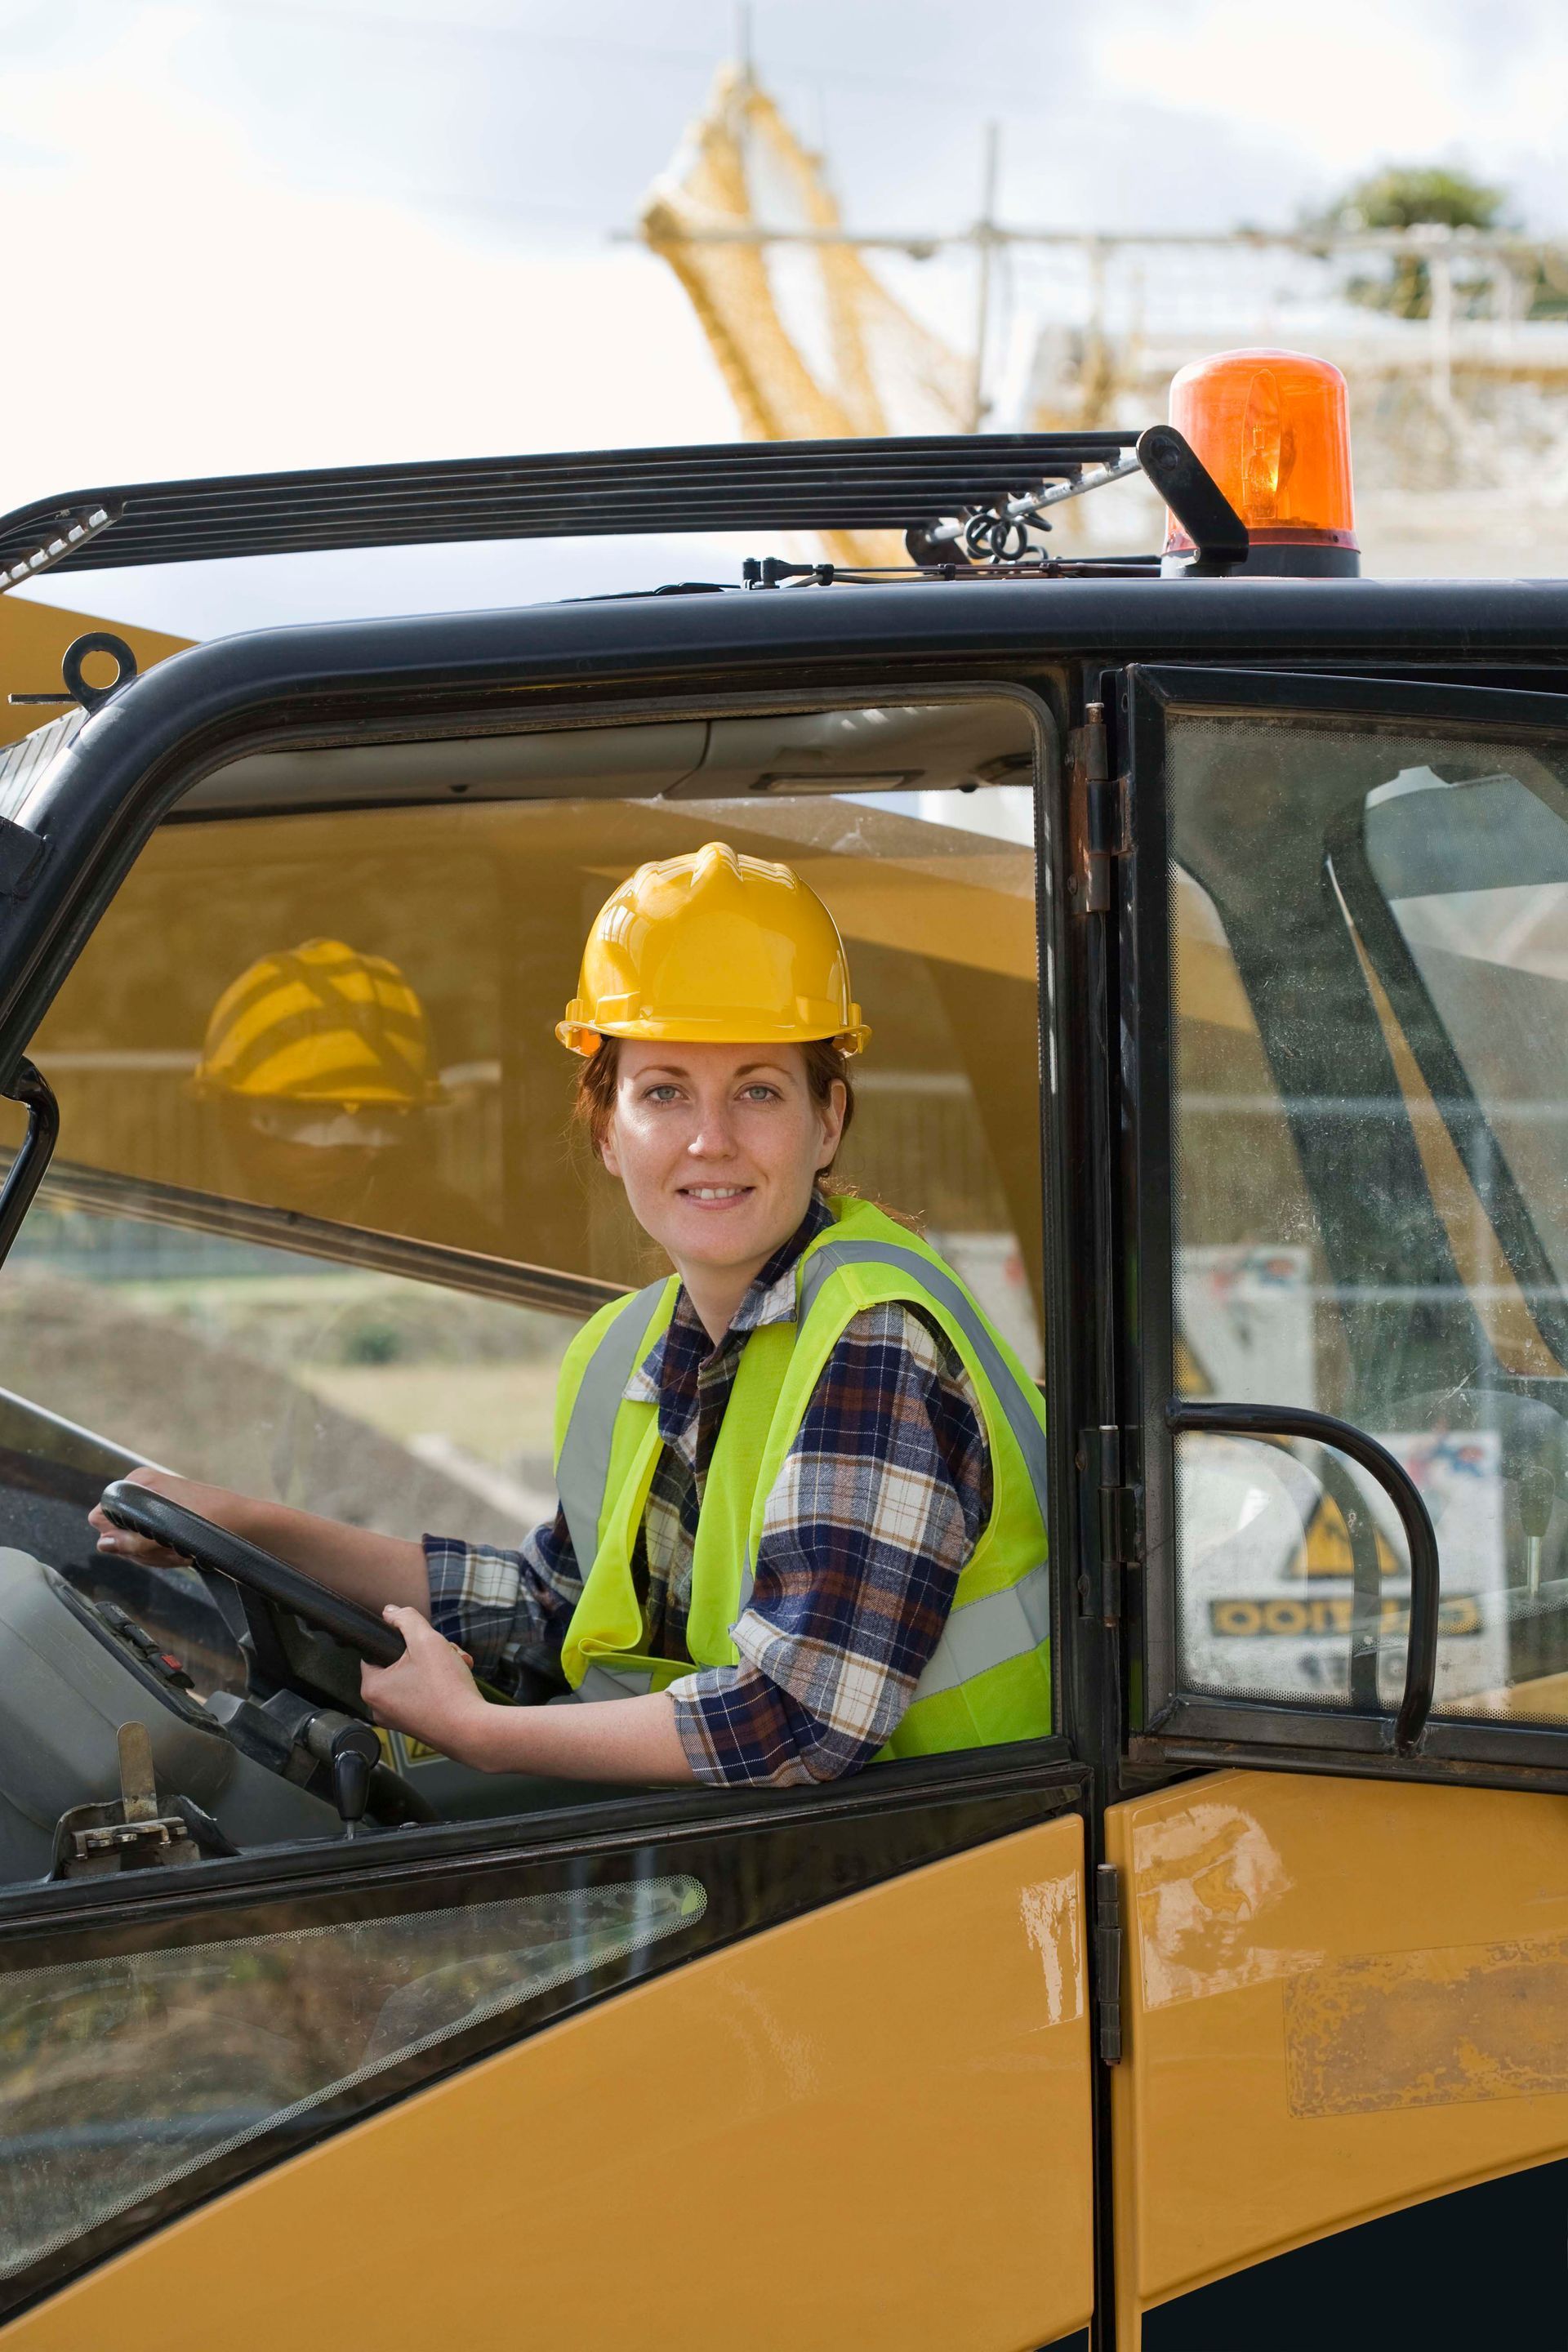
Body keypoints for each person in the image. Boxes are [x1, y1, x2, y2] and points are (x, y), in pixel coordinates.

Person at [91, 843, 1052, 1788]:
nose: (710, 1140)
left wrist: (483, 1734)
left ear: (828, 1120)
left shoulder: (874, 1340)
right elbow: (553, 1604)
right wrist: (245, 1525)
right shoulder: (630, 1349)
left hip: (955, 1866)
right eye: (664, 1092)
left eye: (757, 1091)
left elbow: (796, 1723)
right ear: (606, 1129)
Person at [192, 936, 498, 1254]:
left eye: (392, 1124)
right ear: (238, 1122)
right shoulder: (176, 1233)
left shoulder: (455, 1239)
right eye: (332, 1128)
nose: (371, 1155)